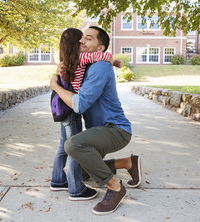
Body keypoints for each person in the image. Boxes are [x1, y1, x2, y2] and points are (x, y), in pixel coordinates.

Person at [50, 26, 142, 215]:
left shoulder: (99, 67)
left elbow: (80, 104)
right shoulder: (86, 65)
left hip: (116, 129)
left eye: (88, 38)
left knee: (73, 145)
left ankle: (115, 187)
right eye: (82, 37)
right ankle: (128, 163)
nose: (81, 41)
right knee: (80, 172)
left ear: (100, 48)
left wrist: (54, 86)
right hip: (100, 131)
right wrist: (59, 72)